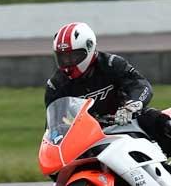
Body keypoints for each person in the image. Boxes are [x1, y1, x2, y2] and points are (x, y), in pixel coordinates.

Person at [44, 22, 171, 154]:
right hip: (89, 137)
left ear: (89, 48)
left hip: (126, 121)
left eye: (73, 56)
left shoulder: (111, 64)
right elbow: (53, 127)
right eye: (62, 58)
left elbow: (140, 84)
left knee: (157, 120)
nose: (67, 63)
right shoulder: (56, 85)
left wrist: (132, 105)